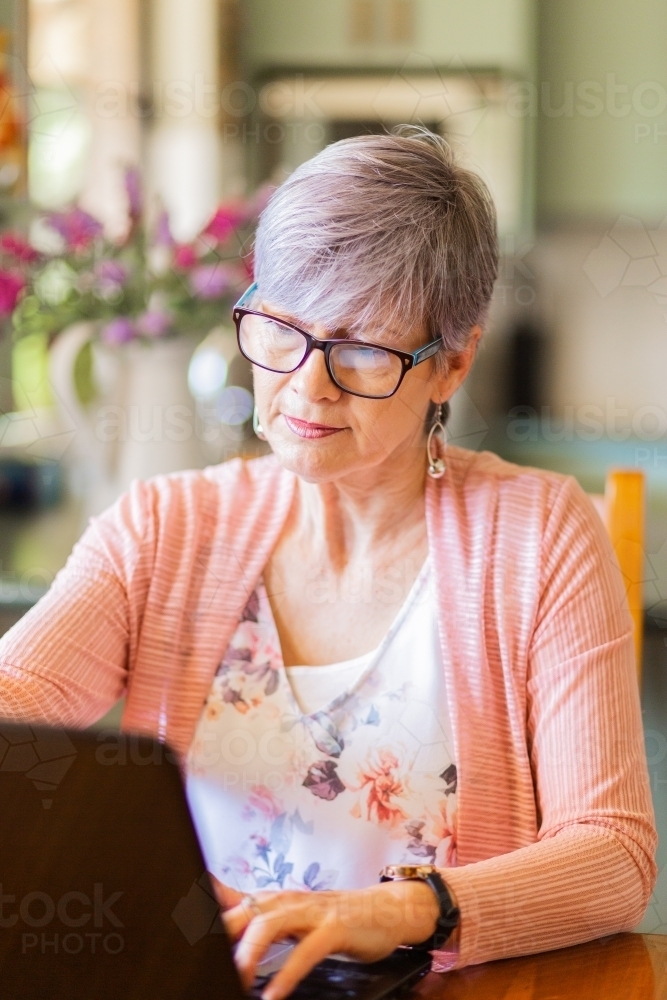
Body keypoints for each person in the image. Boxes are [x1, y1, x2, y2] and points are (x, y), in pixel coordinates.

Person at [0, 128, 656, 1000]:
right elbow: (14, 723)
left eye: (360, 350)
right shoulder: (164, 525)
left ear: (450, 361)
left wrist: (401, 911)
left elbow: (613, 854)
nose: (307, 388)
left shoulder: (539, 536)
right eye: (282, 329)